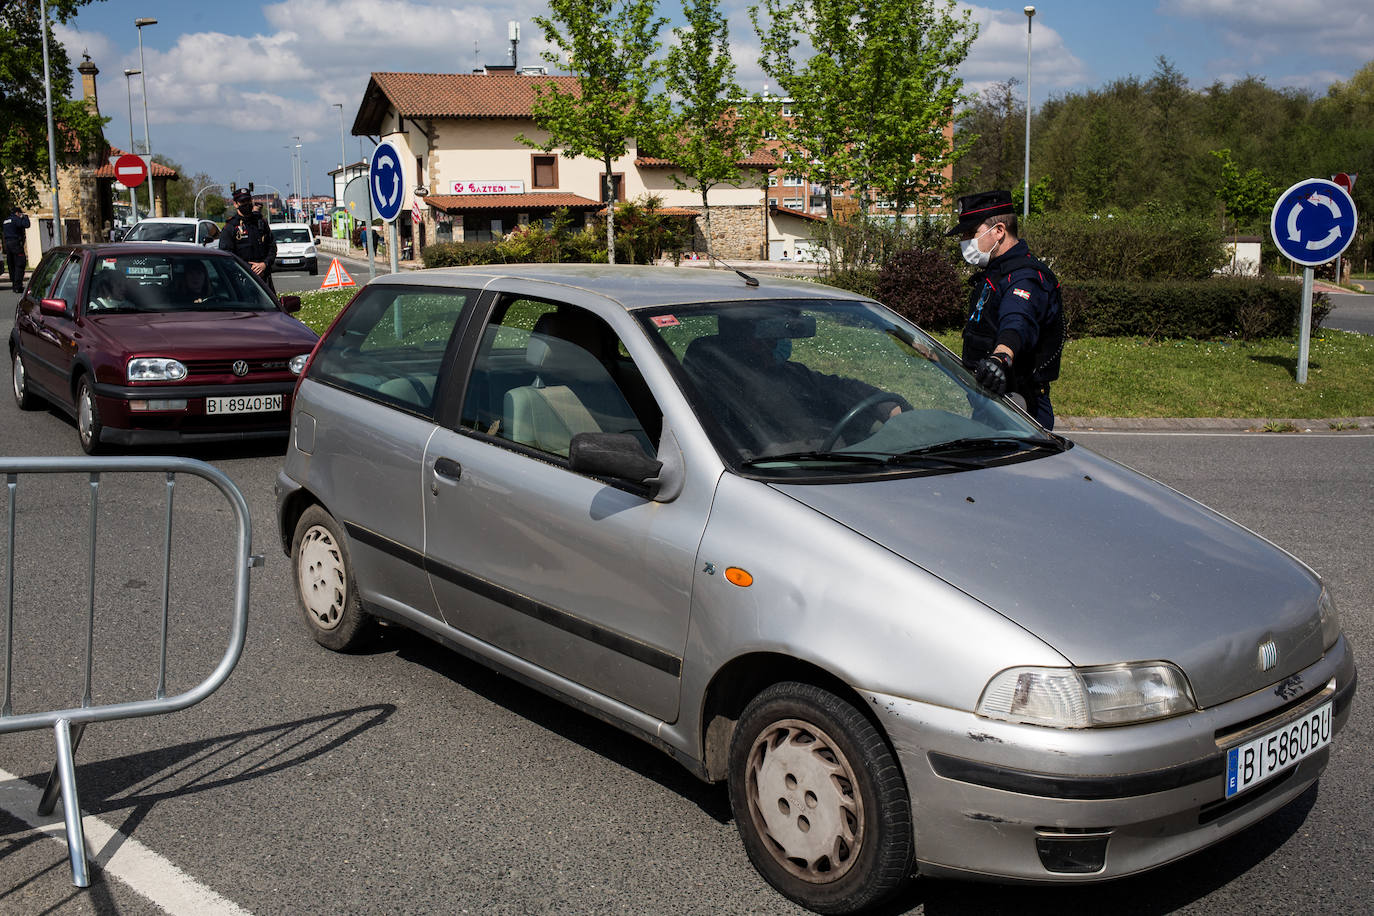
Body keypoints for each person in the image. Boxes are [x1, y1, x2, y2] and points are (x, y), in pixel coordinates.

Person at [947, 189, 1064, 429]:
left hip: (1019, 405)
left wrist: (1002, 356)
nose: (964, 241)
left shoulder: (1024, 278)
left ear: (999, 231)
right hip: (991, 402)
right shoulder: (996, 273)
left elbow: (1018, 321)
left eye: (971, 233)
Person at [219, 187, 276, 290]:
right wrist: (248, 269)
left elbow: (272, 247)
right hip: (242, 281)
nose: (246, 204)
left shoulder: (260, 222)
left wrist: (264, 264)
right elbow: (227, 255)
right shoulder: (231, 227)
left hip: (264, 279)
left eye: (248, 200)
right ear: (236, 204)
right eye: (242, 202)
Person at [3, 206, 31, 293]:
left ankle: (14, 285)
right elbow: (27, 225)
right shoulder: (16, 219)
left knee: (11, 265)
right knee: (20, 264)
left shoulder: (5, 221)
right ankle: (18, 286)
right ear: (17, 213)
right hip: (16, 244)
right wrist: (25, 217)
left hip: (8, 245)